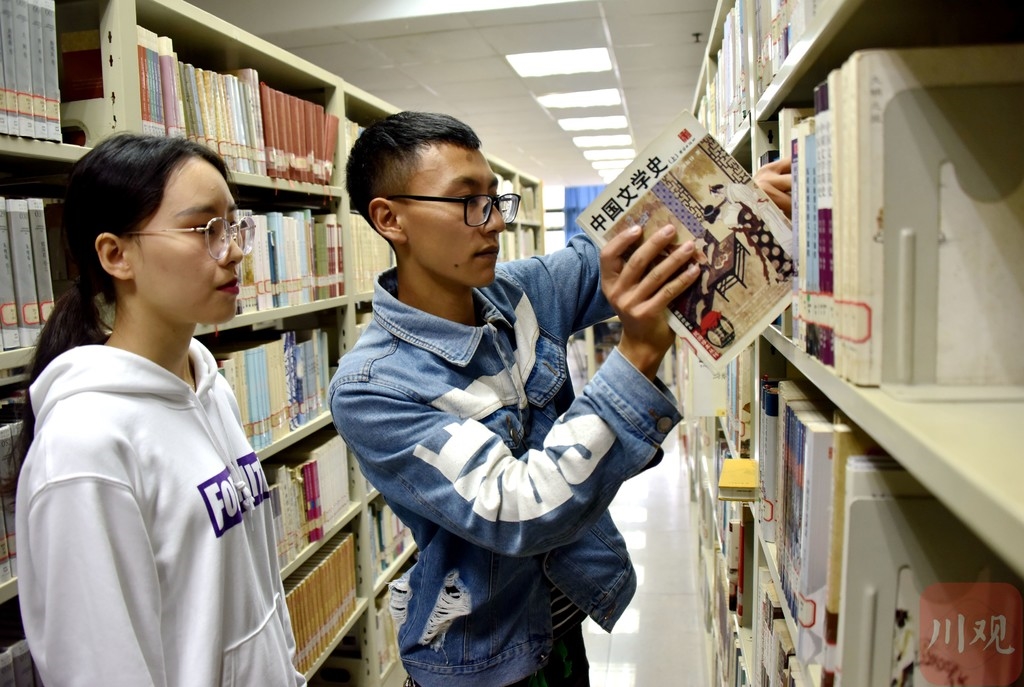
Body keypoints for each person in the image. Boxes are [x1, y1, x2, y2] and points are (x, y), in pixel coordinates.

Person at [329, 110, 702, 687]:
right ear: (390, 219)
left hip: (561, 623)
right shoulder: (372, 387)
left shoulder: (518, 291)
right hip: (486, 660)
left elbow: (609, 252)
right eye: (468, 201)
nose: (496, 222)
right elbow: (518, 510)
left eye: (496, 199)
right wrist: (636, 358)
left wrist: (731, 202)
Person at [13, 134, 305, 686]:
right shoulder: (84, 446)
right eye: (205, 230)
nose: (235, 250)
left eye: (234, 225)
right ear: (116, 255)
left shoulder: (209, 387)